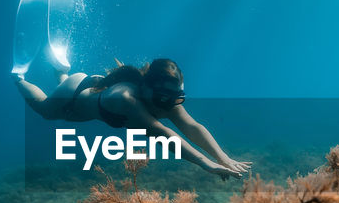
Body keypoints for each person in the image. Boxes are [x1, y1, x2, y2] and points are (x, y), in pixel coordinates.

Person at [14, 58, 251, 179]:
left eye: (174, 96)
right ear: (147, 88)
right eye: (163, 97)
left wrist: (223, 157)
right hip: (75, 93)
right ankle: (19, 77)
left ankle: (62, 72)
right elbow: (163, 135)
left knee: (66, 112)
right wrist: (205, 163)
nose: (168, 103)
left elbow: (191, 126)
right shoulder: (127, 99)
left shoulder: (163, 97)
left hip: (89, 90)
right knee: (44, 110)